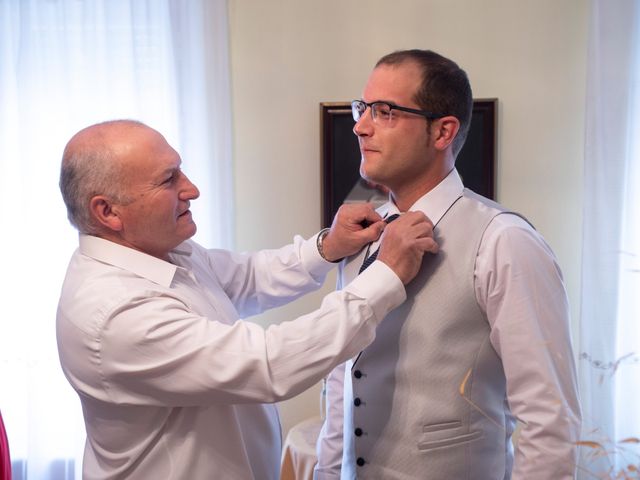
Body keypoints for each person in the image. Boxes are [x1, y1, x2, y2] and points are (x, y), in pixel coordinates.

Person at [56, 119, 439, 479]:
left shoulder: (163, 251)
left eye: (180, 170)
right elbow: (269, 364)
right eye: (168, 180)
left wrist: (327, 246)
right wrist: (385, 276)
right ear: (107, 211)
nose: (192, 189)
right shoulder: (113, 314)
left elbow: (246, 277)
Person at [315, 49, 581, 479]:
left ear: (443, 131)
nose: (360, 126)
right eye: (362, 108)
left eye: (384, 112)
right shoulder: (363, 232)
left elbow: (549, 419)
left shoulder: (504, 241)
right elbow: (341, 382)